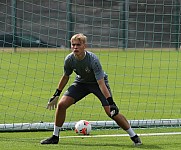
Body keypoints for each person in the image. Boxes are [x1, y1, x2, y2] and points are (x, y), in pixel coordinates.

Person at [40, 33, 142, 146]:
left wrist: (111, 102)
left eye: (78, 45)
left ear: (84, 45)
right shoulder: (69, 59)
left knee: (111, 112)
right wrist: (56, 94)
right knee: (61, 104)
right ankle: (55, 137)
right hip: (81, 83)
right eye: (73, 45)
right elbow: (65, 76)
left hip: (97, 84)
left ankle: (134, 136)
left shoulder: (93, 60)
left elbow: (101, 83)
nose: (75, 47)